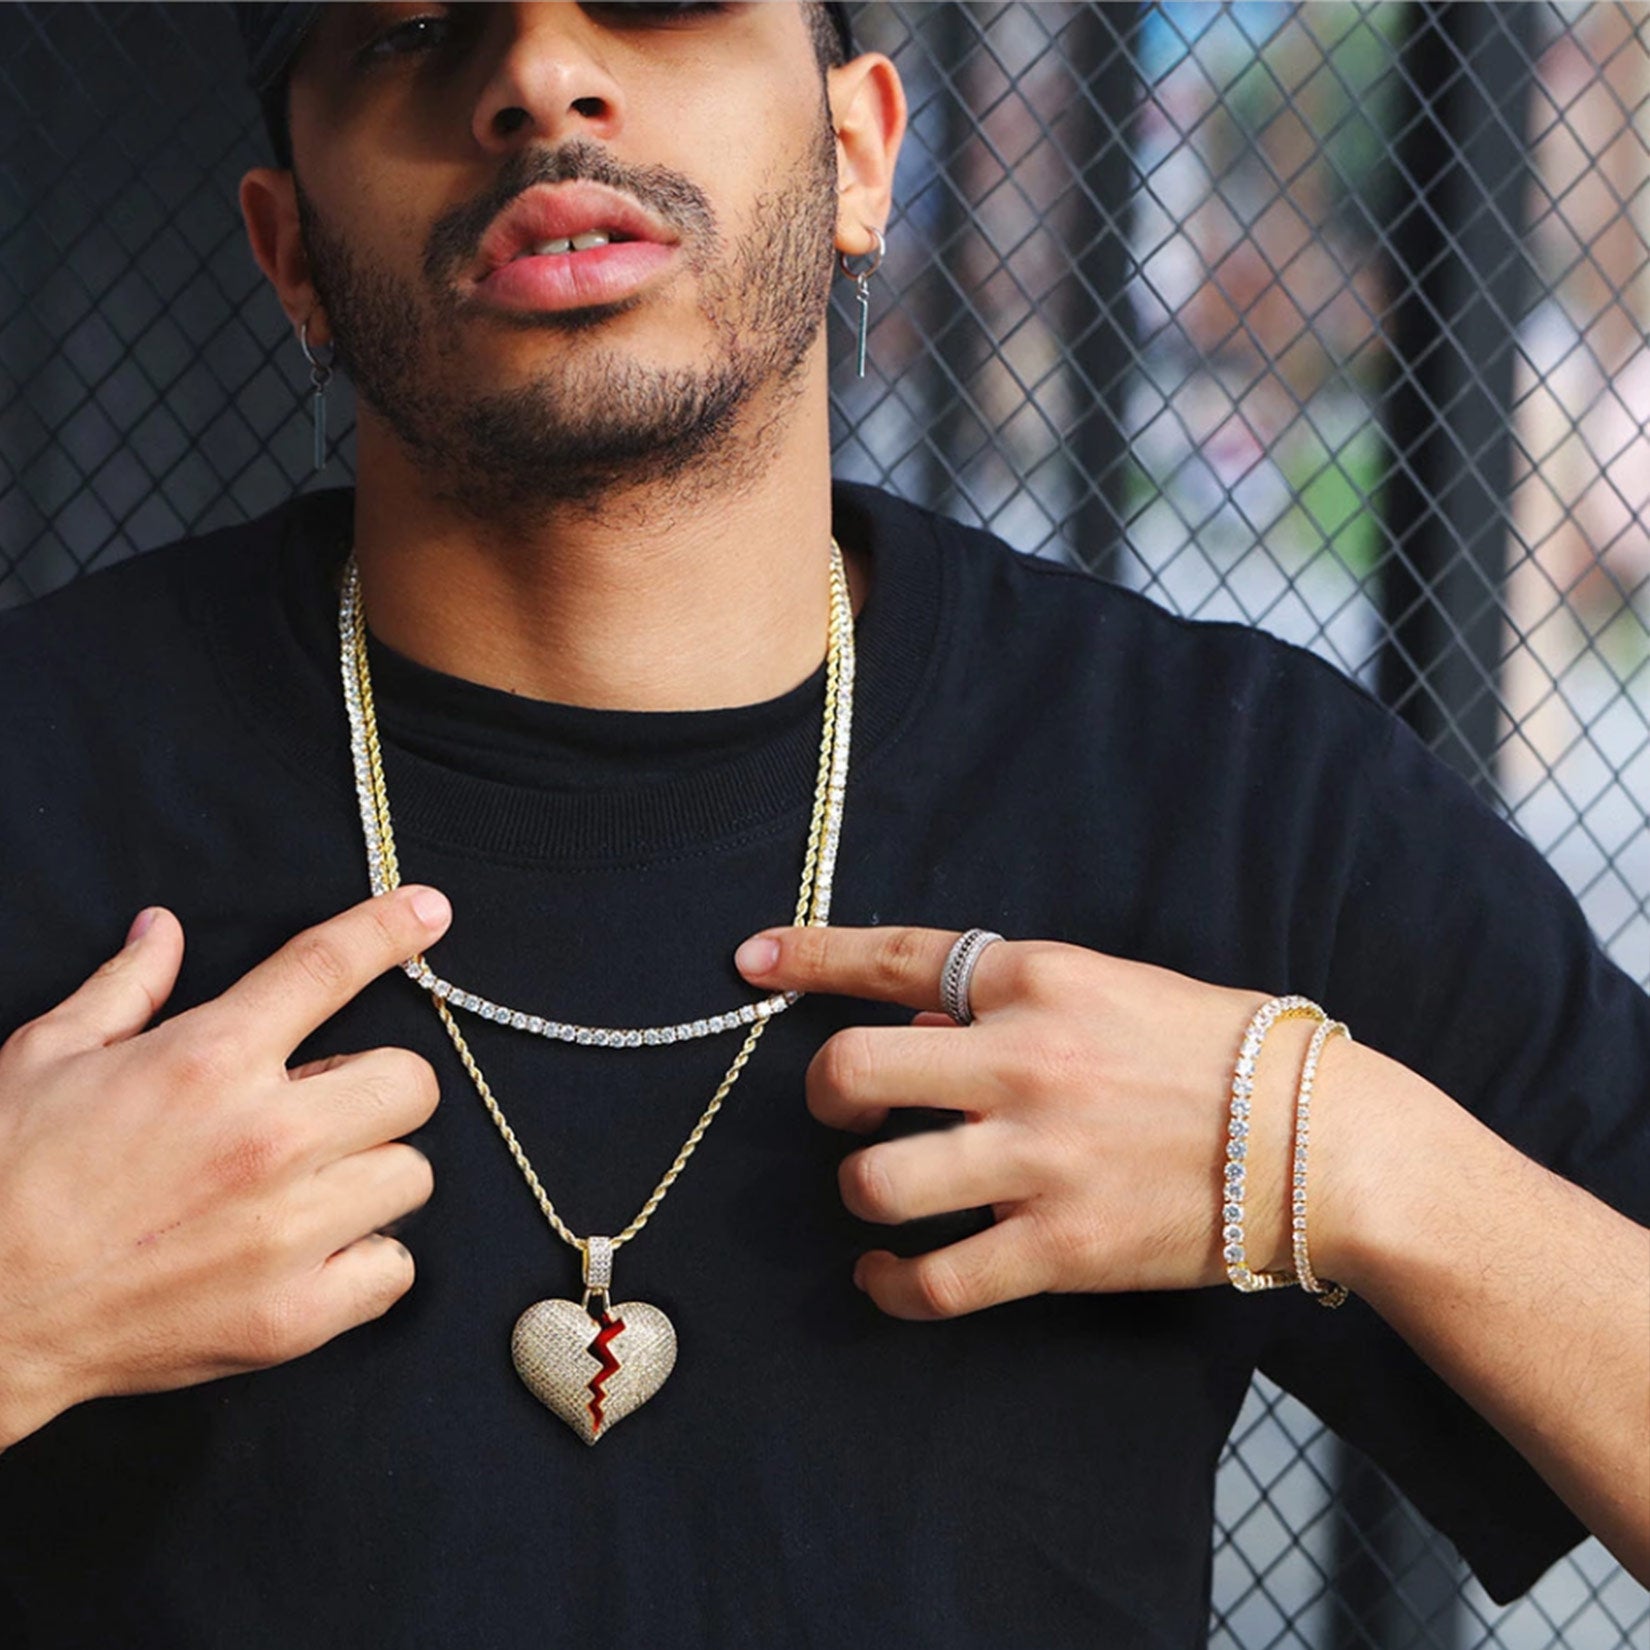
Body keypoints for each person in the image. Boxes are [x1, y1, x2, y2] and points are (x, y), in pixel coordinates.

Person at [0, 3, 1643, 1645]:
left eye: (661, 3)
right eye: (410, 29)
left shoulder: (1223, 788)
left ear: (855, 155)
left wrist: (1325, 1151)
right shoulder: (42, 771)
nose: (536, 78)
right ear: (288, 249)